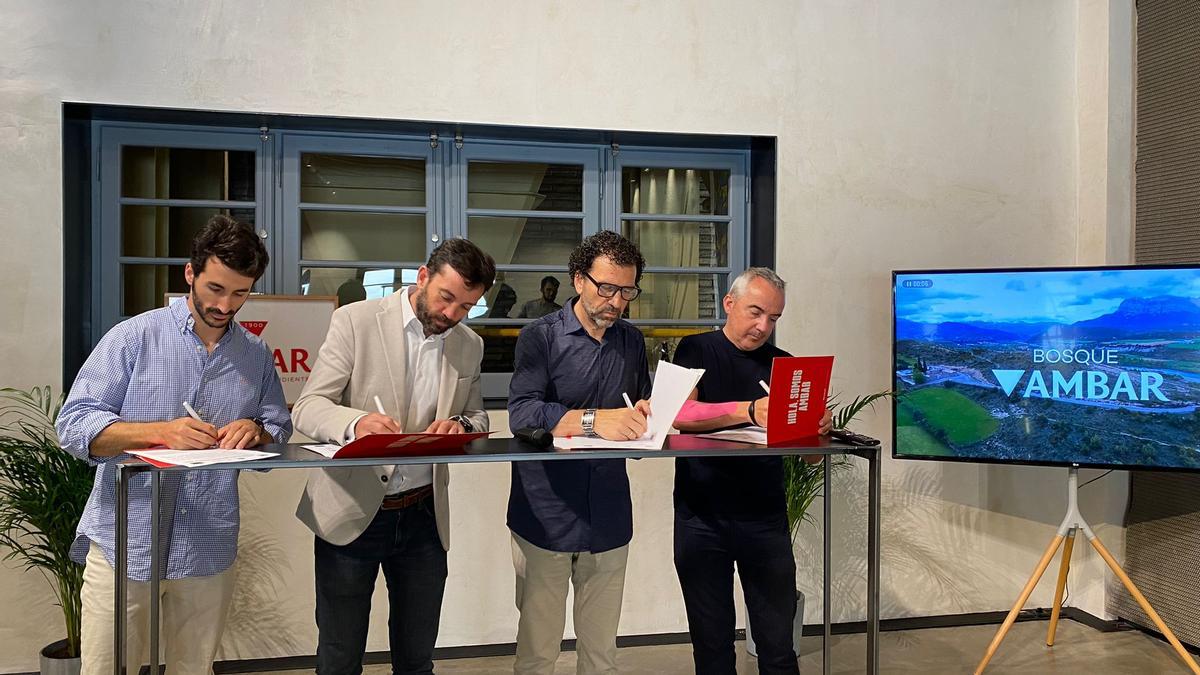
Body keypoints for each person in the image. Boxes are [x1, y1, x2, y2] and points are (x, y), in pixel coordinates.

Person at [56, 215, 292, 675]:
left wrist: (255, 431)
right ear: (191, 273)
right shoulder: (132, 337)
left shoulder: (256, 355)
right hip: (125, 540)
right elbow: (74, 425)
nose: (225, 305)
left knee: (193, 669)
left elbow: (277, 432)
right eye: (215, 289)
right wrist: (162, 431)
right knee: (106, 670)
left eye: (240, 293)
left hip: (208, 543)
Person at [292, 238, 495, 675]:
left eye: (467, 307)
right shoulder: (355, 321)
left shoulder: (469, 344)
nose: (453, 315)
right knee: (340, 657)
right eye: (447, 298)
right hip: (351, 510)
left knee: (417, 659)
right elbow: (310, 407)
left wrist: (460, 426)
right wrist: (355, 423)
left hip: (423, 514)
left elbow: (478, 416)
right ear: (423, 276)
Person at [670, 267, 832, 675]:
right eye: (755, 312)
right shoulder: (695, 351)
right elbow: (681, 415)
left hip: (764, 518)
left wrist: (817, 432)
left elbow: (810, 458)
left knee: (777, 645)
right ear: (729, 304)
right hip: (700, 517)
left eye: (774, 318)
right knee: (712, 645)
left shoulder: (785, 366)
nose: (763, 326)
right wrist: (749, 411)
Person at [506, 231, 652, 675]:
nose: (616, 301)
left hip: (608, 512)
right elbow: (523, 412)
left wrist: (646, 415)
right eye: (606, 287)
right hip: (545, 512)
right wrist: (594, 420)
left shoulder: (630, 341)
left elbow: (639, 405)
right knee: (537, 652)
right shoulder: (540, 336)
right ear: (578, 280)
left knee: (601, 653)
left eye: (627, 291)